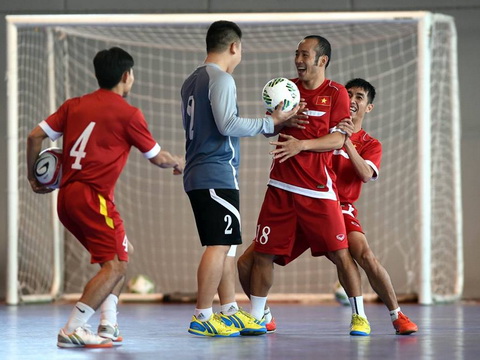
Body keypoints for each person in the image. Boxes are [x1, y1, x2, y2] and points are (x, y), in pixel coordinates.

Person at [27, 47, 184, 348]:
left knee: (122, 253)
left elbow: (34, 136)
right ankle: (73, 328)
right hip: (92, 198)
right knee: (115, 266)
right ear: (127, 76)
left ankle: (108, 325)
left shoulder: (74, 105)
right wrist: (179, 162)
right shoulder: (128, 114)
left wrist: (33, 177)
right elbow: (158, 157)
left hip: (67, 198)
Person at [238, 35, 372, 336]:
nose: (298, 60)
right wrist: (281, 122)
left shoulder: (337, 93)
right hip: (280, 187)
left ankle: (360, 316)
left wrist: (302, 145)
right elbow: (266, 128)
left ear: (321, 61)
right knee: (262, 255)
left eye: (305, 55)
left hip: (318, 191)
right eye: (296, 54)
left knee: (341, 254)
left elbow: (340, 139)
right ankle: (259, 317)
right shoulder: (284, 88)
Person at [180, 20, 300, 337]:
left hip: (206, 171)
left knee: (228, 246)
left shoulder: (193, 80)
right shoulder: (221, 79)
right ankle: (202, 316)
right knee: (219, 245)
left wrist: (269, 125)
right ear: (235, 46)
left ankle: (229, 309)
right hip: (214, 172)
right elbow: (227, 124)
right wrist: (269, 122)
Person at [331, 78, 418, 335]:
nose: (353, 100)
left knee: (363, 255)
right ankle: (261, 314)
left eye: (359, 97)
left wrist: (346, 142)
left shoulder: (370, 143)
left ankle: (396, 315)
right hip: (307, 202)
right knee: (255, 258)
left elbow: (366, 174)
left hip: (340, 209)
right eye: (349, 95)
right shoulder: (323, 131)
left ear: (369, 107)